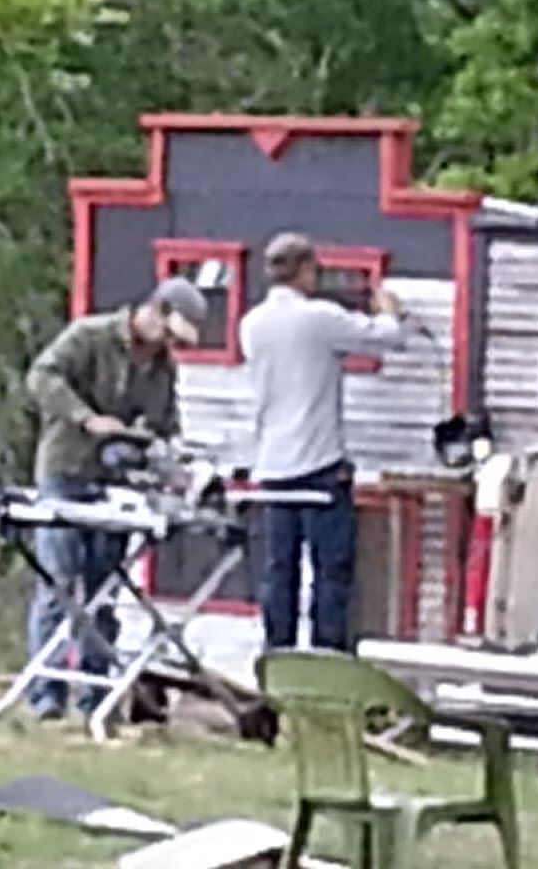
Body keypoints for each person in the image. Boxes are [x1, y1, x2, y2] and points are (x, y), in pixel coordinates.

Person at [21, 276, 208, 720]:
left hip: (115, 484)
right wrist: (85, 418)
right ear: (155, 312)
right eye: (167, 333)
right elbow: (41, 376)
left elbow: (164, 425)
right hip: (66, 471)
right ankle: (46, 695)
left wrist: (172, 467)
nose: (167, 345)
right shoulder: (90, 336)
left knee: (104, 591)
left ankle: (96, 696)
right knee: (59, 583)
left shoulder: (162, 368)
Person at [241, 231, 411, 651]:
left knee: (279, 572)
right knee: (331, 571)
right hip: (318, 464)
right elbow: (387, 338)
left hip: (272, 465)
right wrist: (389, 311)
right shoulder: (319, 317)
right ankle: (325, 656)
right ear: (306, 271)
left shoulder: (252, 323)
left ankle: (277, 654)